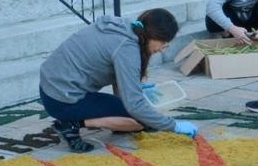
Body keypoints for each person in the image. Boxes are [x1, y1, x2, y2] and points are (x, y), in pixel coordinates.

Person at [39, 9, 198, 153]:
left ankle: (81, 119)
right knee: (140, 121)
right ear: (153, 36)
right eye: (163, 43)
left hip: (52, 88)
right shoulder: (127, 49)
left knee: (132, 112)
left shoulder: (126, 27)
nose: (163, 49)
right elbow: (134, 106)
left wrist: (135, 89)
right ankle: (73, 124)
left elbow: (121, 81)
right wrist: (174, 126)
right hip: (61, 99)